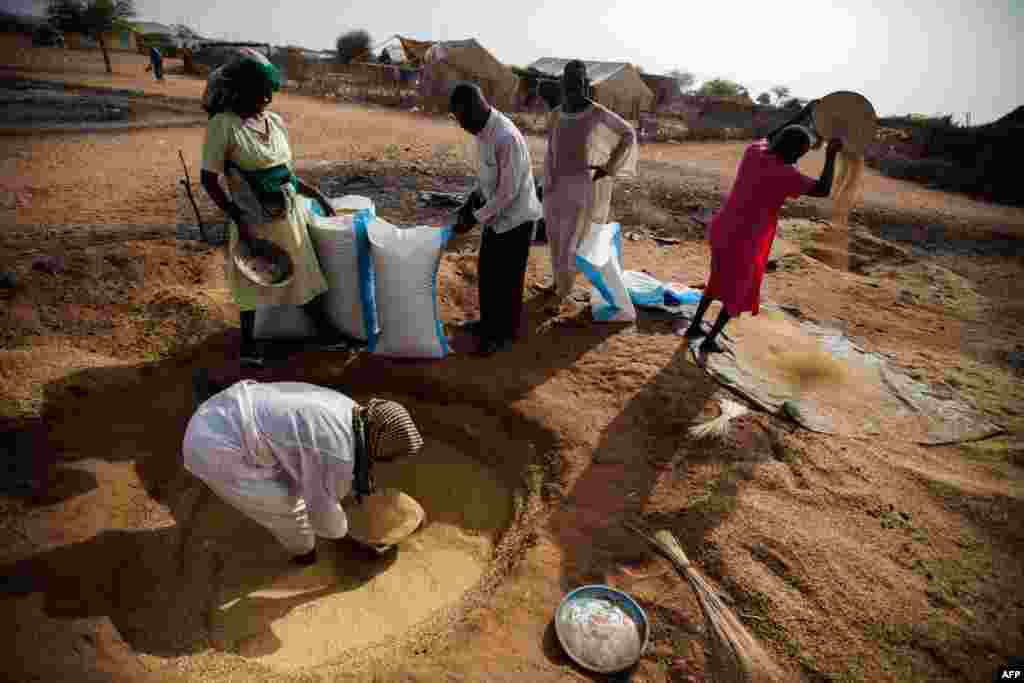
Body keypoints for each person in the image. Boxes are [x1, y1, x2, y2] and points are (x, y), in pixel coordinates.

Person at [199, 49, 349, 368]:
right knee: (250, 279)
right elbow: (208, 178)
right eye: (259, 91)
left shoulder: (275, 122)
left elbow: (286, 173)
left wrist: (317, 195)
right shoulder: (223, 126)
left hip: (288, 214)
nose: (267, 98)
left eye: (269, 92)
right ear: (239, 90)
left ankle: (324, 331)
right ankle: (249, 345)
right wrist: (236, 215)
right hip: (251, 217)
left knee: (305, 272)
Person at [184, 378, 425, 566]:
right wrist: (352, 533)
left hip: (224, 409)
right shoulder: (338, 454)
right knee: (289, 509)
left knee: (297, 475)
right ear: (379, 443)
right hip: (218, 446)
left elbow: (323, 460)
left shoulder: (350, 409)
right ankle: (304, 555)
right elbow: (323, 517)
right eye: (388, 456)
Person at [682, 105, 844, 357]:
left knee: (716, 280)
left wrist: (805, 113)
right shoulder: (786, 174)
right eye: (801, 152)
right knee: (737, 290)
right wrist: (831, 154)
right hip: (747, 238)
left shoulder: (753, 153)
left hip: (723, 228)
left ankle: (694, 327)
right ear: (797, 153)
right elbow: (823, 190)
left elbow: (773, 135)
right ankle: (710, 340)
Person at [450, 83, 543, 356]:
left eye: (463, 119)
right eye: (458, 120)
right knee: (489, 273)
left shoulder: (506, 137)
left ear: (478, 107)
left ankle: (503, 335)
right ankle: (488, 324)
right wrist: (471, 201)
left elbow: (507, 193)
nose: (462, 126)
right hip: (496, 216)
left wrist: (474, 218)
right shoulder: (482, 133)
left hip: (517, 219)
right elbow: (487, 180)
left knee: (508, 279)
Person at [542, 60, 638, 314]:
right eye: (569, 78)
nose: (574, 83)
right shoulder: (557, 112)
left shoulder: (596, 113)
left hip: (579, 188)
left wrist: (609, 166)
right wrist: (545, 182)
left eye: (578, 78)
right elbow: (551, 150)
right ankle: (557, 282)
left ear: (585, 82)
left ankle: (563, 293)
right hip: (554, 186)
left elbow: (627, 134)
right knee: (554, 237)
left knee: (570, 240)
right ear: (564, 82)